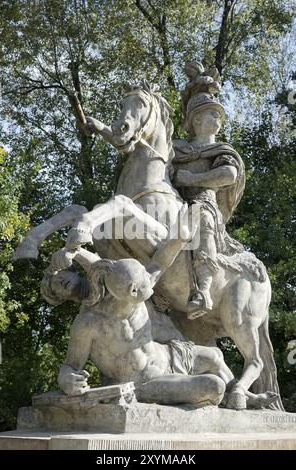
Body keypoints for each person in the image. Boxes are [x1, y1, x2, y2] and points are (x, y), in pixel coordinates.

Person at [42, 240, 278, 409]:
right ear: (131, 291)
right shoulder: (88, 323)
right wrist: (67, 380)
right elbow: (70, 365)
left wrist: (181, 236)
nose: (151, 289)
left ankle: (243, 394)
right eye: (57, 287)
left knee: (215, 356)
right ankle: (228, 396)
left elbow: (161, 261)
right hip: (145, 381)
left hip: (166, 355)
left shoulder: (131, 286)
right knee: (213, 386)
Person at [172, 61, 245, 318]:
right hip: (172, 202)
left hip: (204, 204)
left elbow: (228, 175)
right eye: (213, 114)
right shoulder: (177, 149)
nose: (218, 118)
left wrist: (191, 179)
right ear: (197, 119)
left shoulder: (221, 151)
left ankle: (202, 290)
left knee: (200, 217)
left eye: (219, 115)